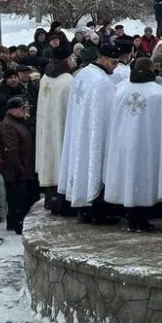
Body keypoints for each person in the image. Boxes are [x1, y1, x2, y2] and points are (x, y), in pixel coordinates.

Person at [104, 58, 162, 232]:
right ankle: (142, 218)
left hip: (124, 142)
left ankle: (130, 215)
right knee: (144, 177)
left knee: (128, 176)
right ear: (151, 70)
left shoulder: (120, 90)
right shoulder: (159, 93)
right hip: (148, 145)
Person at [59, 44, 120, 224]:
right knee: (95, 165)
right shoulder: (103, 82)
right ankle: (98, 211)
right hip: (95, 135)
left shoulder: (82, 74)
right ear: (104, 59)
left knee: (81, 166)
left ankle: (83, 209)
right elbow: (109, 117)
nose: (116, 67)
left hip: (79, 134)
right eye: (114, 62)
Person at [36, 44, 74, 213]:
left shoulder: (45, 78)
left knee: (51, 162)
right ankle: (63, 204)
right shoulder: (68, 81)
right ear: (66, 60)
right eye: (71, 57)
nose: (73, 60)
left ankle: (51, 201)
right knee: (62, 163)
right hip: (63, 129)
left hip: (47, 130)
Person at [0, 96, 37, 234]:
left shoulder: (18, 122)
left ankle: (16, 222)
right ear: (12, 110)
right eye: (22, 108)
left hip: (22, 167)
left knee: (20, 198)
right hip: (15, 170)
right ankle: (17, 223)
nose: (24, 110)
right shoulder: (9, 125)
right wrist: (20, 167)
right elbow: (11, 150)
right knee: (17, 199)